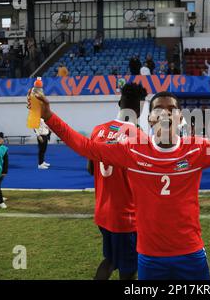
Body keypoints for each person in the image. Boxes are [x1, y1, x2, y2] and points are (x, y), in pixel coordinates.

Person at [32, 89, 210, 280]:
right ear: (149, 118)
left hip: (191, 253)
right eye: (158, 109)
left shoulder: (196, 149)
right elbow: (87, 147)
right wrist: (48, 116)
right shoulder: (132, 150)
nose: (165, 113)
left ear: (180, 118)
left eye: (172, 109)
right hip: (149, 257)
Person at [87, 83, 147, 280]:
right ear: (140, 108)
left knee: (111, 260)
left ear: (119, 103)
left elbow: (90, 168)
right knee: (128, 270)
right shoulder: (139, 137)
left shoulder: (97, 131)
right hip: (126, 217)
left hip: (102, 212)